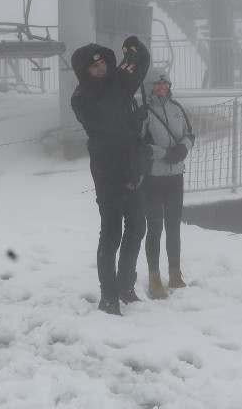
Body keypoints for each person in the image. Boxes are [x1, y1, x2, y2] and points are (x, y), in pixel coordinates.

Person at [70, 36, 151, 316]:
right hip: (108, 172)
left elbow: (138, 73)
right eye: (96, 66)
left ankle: (126, 285)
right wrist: (119, 80)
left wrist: (138, 53)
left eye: (104, 62)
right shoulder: (81, 98)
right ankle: (109, 296)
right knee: (111, 234)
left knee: (138, 228)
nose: (102, 68)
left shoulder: (118, 82)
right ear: (85, 71)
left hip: (133, 166)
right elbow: (105, 120)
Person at [141, 69, 195, 299]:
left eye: (165, 83)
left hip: (175, 177)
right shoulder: (144, 112)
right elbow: (138, 145)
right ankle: (154, 277)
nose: (161, 87)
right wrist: (164, 154)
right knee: (154, 227)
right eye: (157, 84)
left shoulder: (177, 108)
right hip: (153, 178)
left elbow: (190, 135)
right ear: (149, 86)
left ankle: (175, 272)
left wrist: (182, 149)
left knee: (174, 226)